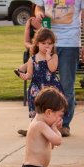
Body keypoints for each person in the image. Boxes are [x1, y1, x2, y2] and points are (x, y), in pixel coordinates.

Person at [35, 0, 84, 137]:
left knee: (66, 86)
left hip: (70, 42)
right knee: (42, 84)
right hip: (48, 42)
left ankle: (64, 124)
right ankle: (41, 124)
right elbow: (38, 7)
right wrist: (39, 14)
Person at [18, 28, 65, 136]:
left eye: (50, 43)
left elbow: (52, 69)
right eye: (43, 43)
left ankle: (51, 129)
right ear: (37, 44)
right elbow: (30, 74)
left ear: (53, 45)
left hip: (50, 87)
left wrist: (48, 57)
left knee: (50, 108)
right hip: (37, 87)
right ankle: (33, 127)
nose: (47, 46)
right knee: (37, 108)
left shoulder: (54, 56)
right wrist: (26, 76)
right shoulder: (32, 59)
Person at [14, 3, 42, 76]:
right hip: (34, 50)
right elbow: (26, 42)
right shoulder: (30, 21)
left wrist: (40, 28)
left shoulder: (52, 22)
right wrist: (31, 46)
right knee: (37, 48)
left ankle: (24, 68)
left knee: (43, 47)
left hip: (50, 52)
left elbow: (50, 38)